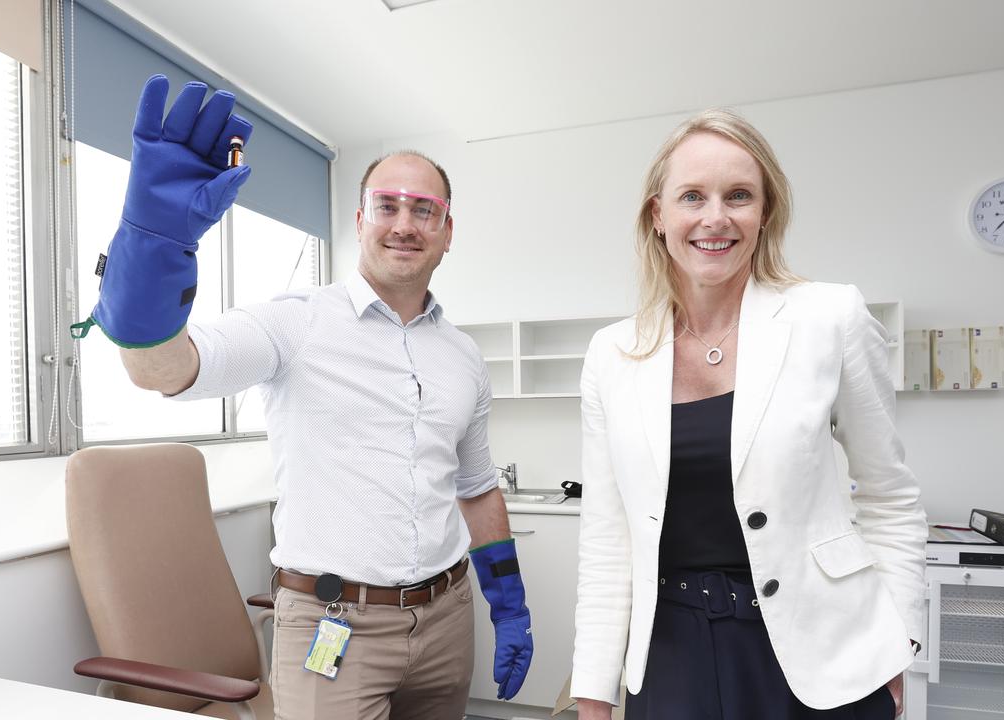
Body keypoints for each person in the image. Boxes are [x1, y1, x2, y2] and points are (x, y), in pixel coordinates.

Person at [77, 74, 533, 720]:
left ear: (447, 231)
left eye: (423, 210)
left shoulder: (462, 356)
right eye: (387, 206)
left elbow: (478, 485)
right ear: (360, 220)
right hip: (334, 629)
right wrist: (153, 252)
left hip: (446, 624)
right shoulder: (298, 323)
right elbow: (163, 370)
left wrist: (508, 601)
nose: (405, 224)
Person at [569, 109, 927, 720]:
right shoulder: (614, 353)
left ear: (765, 213)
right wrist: (593, 692)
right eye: (692, 196)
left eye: (739, 196)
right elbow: (608, 537)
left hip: (824, 649)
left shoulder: (829, 318)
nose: (716, 217)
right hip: (673, 652)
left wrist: (900, 644)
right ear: (659, 216)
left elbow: (890, 497)